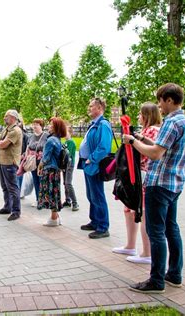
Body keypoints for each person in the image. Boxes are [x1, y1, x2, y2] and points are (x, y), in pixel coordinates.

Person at [123, 83, 185, 294]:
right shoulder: (184, 121)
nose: (159, 106)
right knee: (172, 228)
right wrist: (144, 139)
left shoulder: (171, 122)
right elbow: (162, 146)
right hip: (175, 184)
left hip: (159, 184)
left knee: (156, 232)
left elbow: (155, 154)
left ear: (169, 100)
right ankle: (174, 274)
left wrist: (133, 141)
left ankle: (156, 280)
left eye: (161, 101)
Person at [112, 102, 162, 264]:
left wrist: (133, 142)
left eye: (141, 114)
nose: (139, 117)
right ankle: (131, 245)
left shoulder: (153, 131)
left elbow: (147, 152)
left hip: (144, 176)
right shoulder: (146, 131)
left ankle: (147, 253)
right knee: (130, 210)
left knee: (143, 213)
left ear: (147, 115)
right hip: (137, 177)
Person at [78, 97, 113, 239]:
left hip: (95, 165)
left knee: (97, 195)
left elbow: (104, 147)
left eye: (91, 106)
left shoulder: (103, 125)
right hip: (89, 165)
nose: (89, 108)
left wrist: (91, 159)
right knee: (91, 194)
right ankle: (94, 221)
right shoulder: (94, 124)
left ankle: (103, 227)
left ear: (99, 108)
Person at [38, 117, 67, 226]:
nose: (49, 126)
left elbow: (45, 158)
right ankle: (56, 217)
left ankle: (54, 218)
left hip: (49, 170)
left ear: (56, 127)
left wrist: (39, 166)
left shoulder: (50, 140)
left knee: (50, 194)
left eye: (51, 125)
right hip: (55, 171)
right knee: (55, 192)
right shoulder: (57, 139)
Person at [0, 109, 23, 221]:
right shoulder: (6, 129)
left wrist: (0, 143)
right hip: (2, 161)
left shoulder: (15, 130)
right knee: (4, 187)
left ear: (13, 118)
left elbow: (3, 144)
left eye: (6, 116)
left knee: (12, 187)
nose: (4, 118)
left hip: (10, 163)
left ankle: (16, 211)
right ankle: (7, 207)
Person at [26, 119, 49, 208]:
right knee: (35, 180)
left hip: (42, 162)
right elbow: (28, 148)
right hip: (32, 162)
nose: (34, 126)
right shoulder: (30, 136)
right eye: (33, 124)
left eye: (37, 124)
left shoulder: (46, 136)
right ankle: (38, 199)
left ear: (41, 126)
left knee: (42, 181)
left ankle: (44, 200)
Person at [62, 125, 79, 211]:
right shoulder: (65, 142)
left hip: (69, 165)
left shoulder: (71, 142)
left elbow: (70, 155)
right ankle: (67, 200)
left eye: (66, 132)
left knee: (68, 183)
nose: (64, 134)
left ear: (70, 133)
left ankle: (75, 202)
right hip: (65, 165)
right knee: (65, 183)